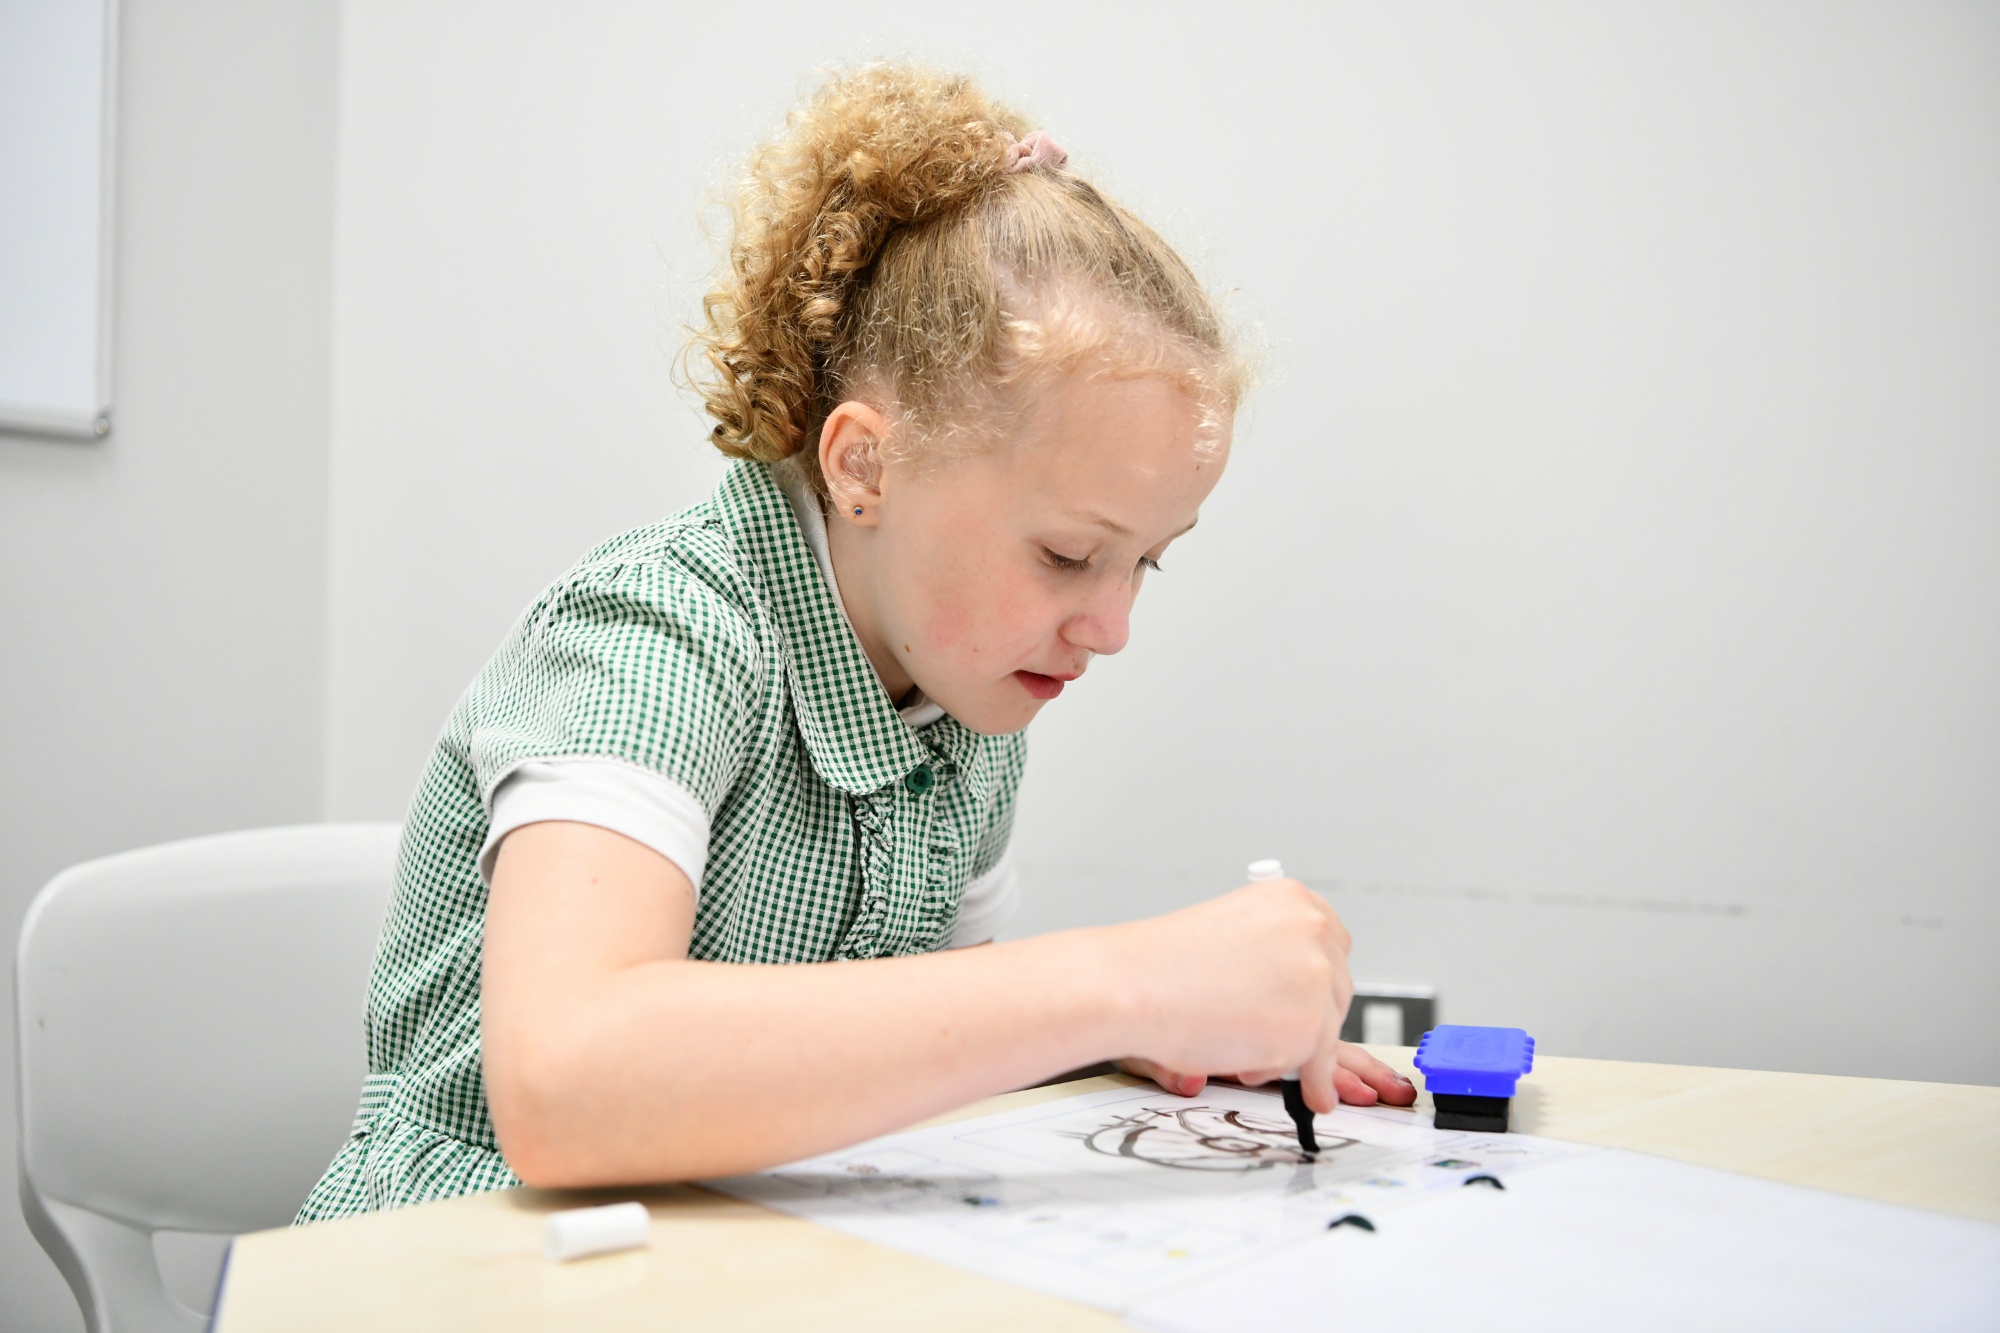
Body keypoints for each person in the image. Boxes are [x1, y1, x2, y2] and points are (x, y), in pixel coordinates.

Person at [298, 63, 1413, 1222]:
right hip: (454, 1264)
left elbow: (917, 1040)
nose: (1112, 625)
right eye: (1067, 554)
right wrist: (1116, 981)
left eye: (1148, 558)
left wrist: (1144, 1034)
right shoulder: (658, 639)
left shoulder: (969, 690)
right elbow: (565, 1084)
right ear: (863, 467)